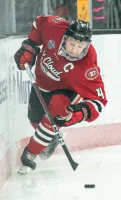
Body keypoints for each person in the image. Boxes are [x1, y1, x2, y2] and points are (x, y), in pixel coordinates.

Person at [14, 15, 108, 174]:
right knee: (35, 119)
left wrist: (76, 114)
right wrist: (30, 47)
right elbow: (39, 23)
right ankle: (50, 138)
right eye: (71, 43)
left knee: (57, 111)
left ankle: (30, 153)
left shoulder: (87, 67)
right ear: (65, 37)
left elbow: (99, 102)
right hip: (42, 83)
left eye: (80, 46)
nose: (74, 50)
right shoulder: (55, 27)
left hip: (66, 92)